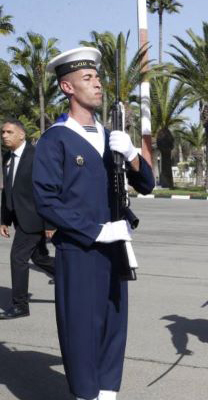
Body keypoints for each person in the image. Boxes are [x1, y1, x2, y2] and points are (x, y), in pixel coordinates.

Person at [33, 47, 155, 400]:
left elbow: (145, 184)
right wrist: (97, 230)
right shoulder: (55, 139)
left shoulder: (109, 137)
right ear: (67, 88)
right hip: (81, 249)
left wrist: (132, 155)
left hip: (116, 247)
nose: (98, 84)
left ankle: (107, 391)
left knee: (114, 325)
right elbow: (46, 200)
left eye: (98, 77)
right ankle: (85, 393)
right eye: (88, 79)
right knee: (82, 329)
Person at [0, 119, 55, 319]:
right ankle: (73, 278)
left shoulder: (36, 155)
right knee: (39, 258)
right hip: (19, 217)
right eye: (3, 132)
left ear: (21, 135)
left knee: (18, 258)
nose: (4, 135)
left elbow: (47, 189)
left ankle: (20, 306)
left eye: (9, 132)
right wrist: (3, 219)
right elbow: (7, 190)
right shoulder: (7, 156)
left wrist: (50, 223)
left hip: (35, 218)